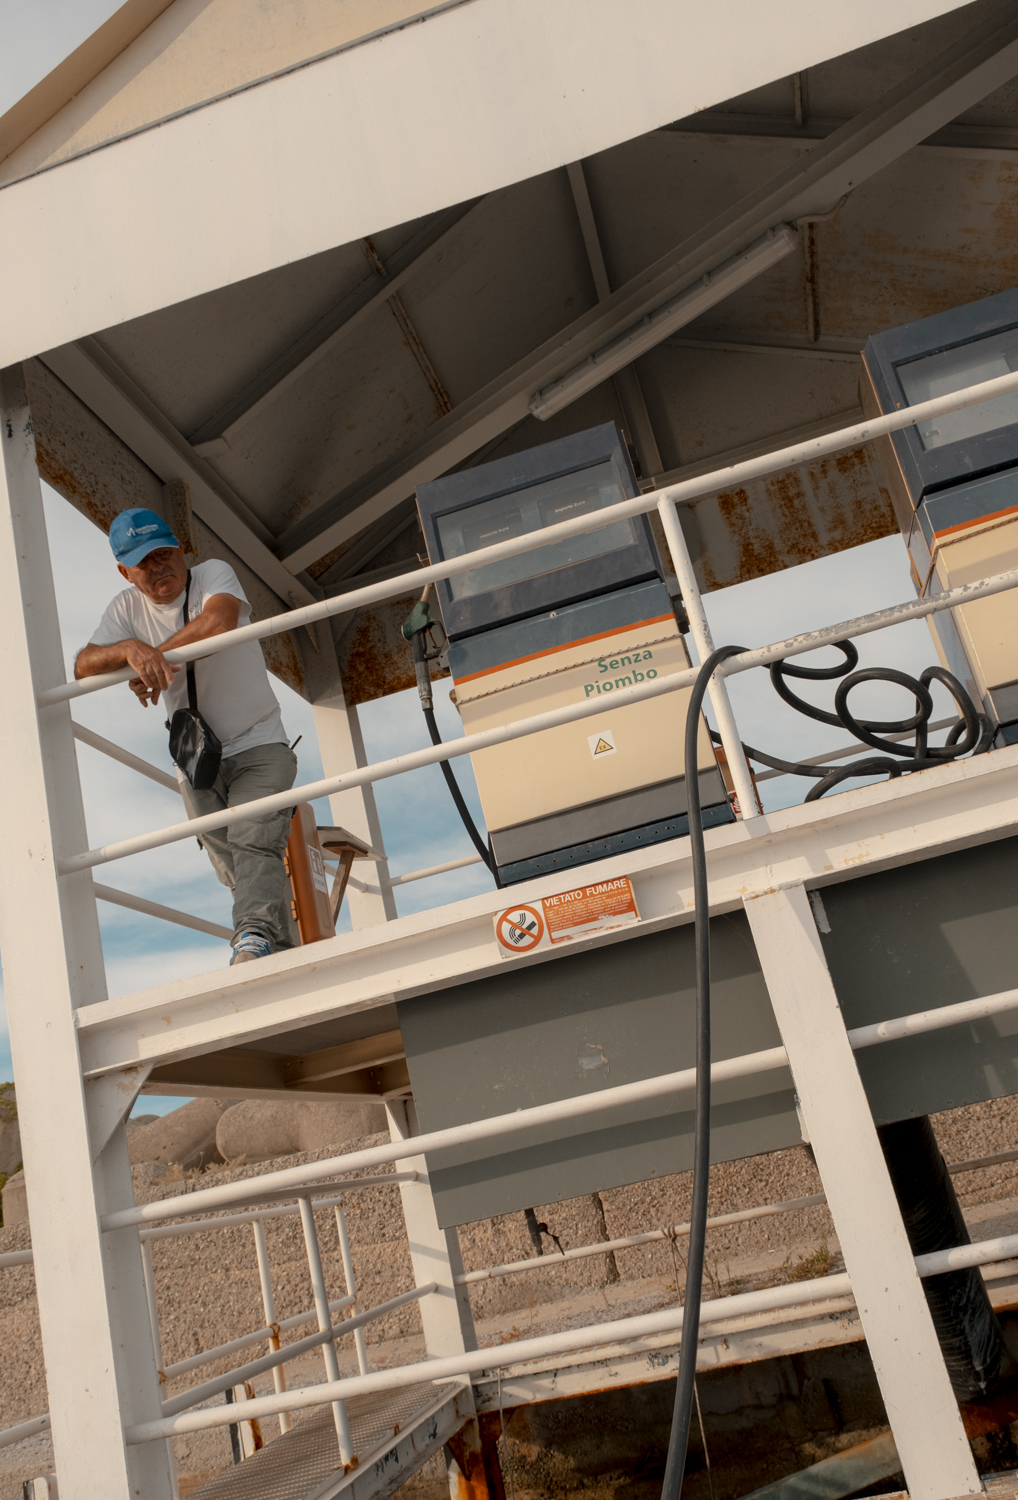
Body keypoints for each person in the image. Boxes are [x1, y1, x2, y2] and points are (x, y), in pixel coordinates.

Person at [75, 507, 298, 965]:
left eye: (163, 553)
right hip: (196, 760)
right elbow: (83, 665)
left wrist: (152, 658)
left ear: (180, 549)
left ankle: (252, 939)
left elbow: (220, 621)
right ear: (125, 573)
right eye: (144, 562)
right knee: (232, 865)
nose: (158, 567)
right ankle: (279, 951)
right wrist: (129, 649)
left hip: (259, 741)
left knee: (255, 839)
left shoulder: (213, 574)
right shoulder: (126, 608)